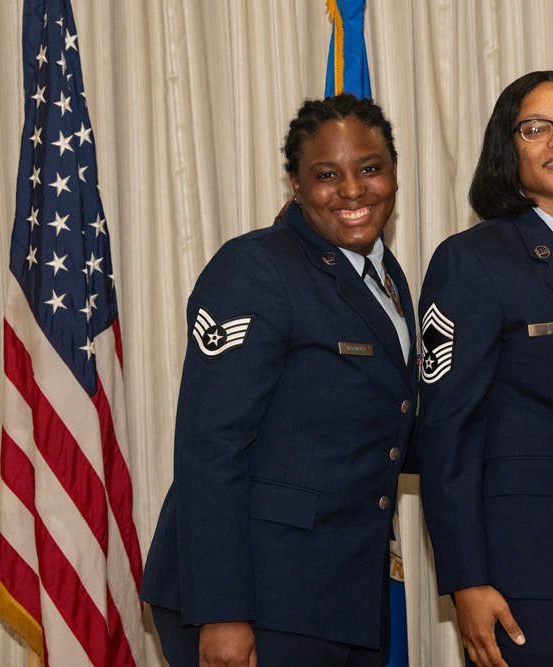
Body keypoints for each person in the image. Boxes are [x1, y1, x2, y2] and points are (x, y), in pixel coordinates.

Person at [140, 94, 418, 667]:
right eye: (326, 175)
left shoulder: (386, 277)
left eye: (370, 168)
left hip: (341, 592)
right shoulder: (256, 268)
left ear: (393, 171)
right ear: (295, 184)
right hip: (259, 597)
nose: (352, 190)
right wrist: (221, 614)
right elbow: (210, 448)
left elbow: (389, 426)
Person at [417, 71, 553, 667]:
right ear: (507, 148)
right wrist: (466, 581)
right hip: (528, 572)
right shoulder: (471, 259)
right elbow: (446, 434)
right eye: (535, 128)